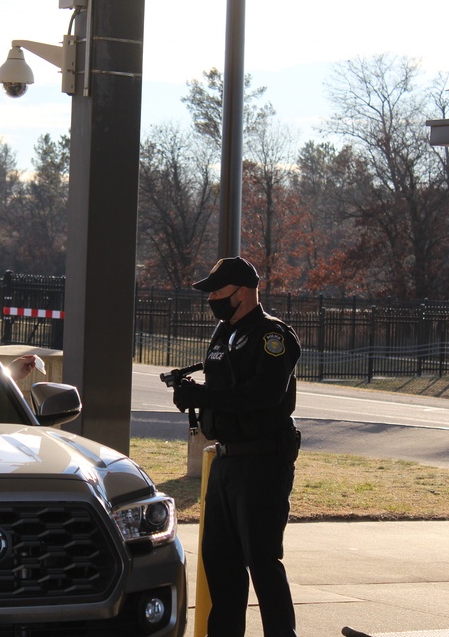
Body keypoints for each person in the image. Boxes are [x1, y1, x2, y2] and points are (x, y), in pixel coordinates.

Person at [172, 256, 301, 637]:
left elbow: (265, 393)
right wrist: (193, 394)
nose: (211, 298)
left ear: (242, 291)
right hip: (226, 460)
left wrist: (207, 396)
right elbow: (223, 385)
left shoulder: (271, 335)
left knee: (261, 560)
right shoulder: (225, 332)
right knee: (220, 562)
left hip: (261, 460)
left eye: (217, 291)